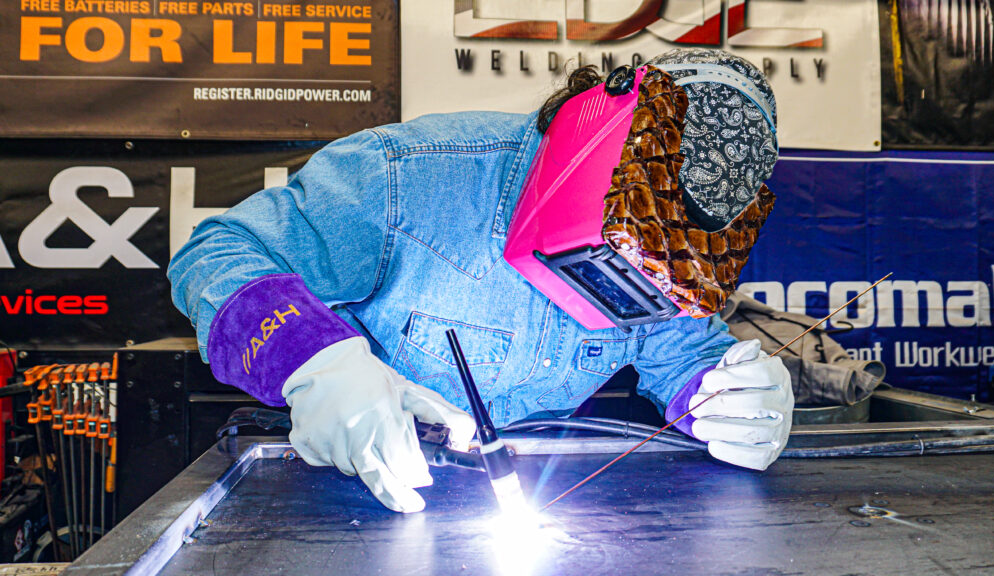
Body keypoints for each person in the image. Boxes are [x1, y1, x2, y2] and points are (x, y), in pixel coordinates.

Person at [168, 48, 794, 513]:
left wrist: (726, 396)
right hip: (345, 483)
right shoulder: (410, 177)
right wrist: (316, 362)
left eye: (660, 269)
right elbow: (216, 253)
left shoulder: (679, 261)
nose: (633, 277)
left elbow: (683, 352)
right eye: (624, 243)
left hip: (518, 496)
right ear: (594, 134)